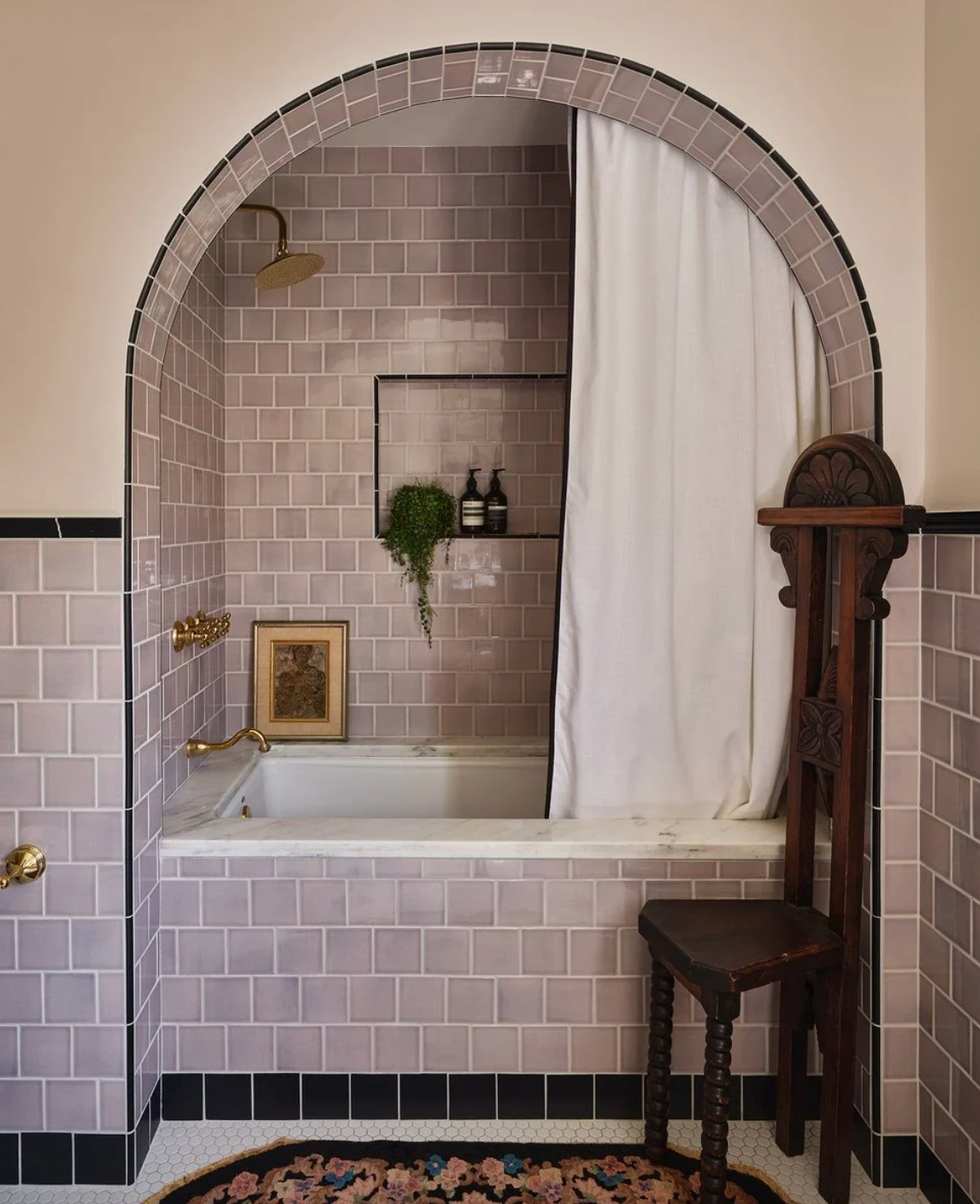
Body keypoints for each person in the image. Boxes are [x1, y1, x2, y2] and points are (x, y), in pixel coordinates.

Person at [273, 643, 327, 719]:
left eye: (307, 652)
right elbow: (280, 696)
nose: (304, 655)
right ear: (295, 652)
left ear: (310, 654)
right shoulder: (286, 674)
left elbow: (324, 696)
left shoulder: (318, 675)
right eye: (301, 652)